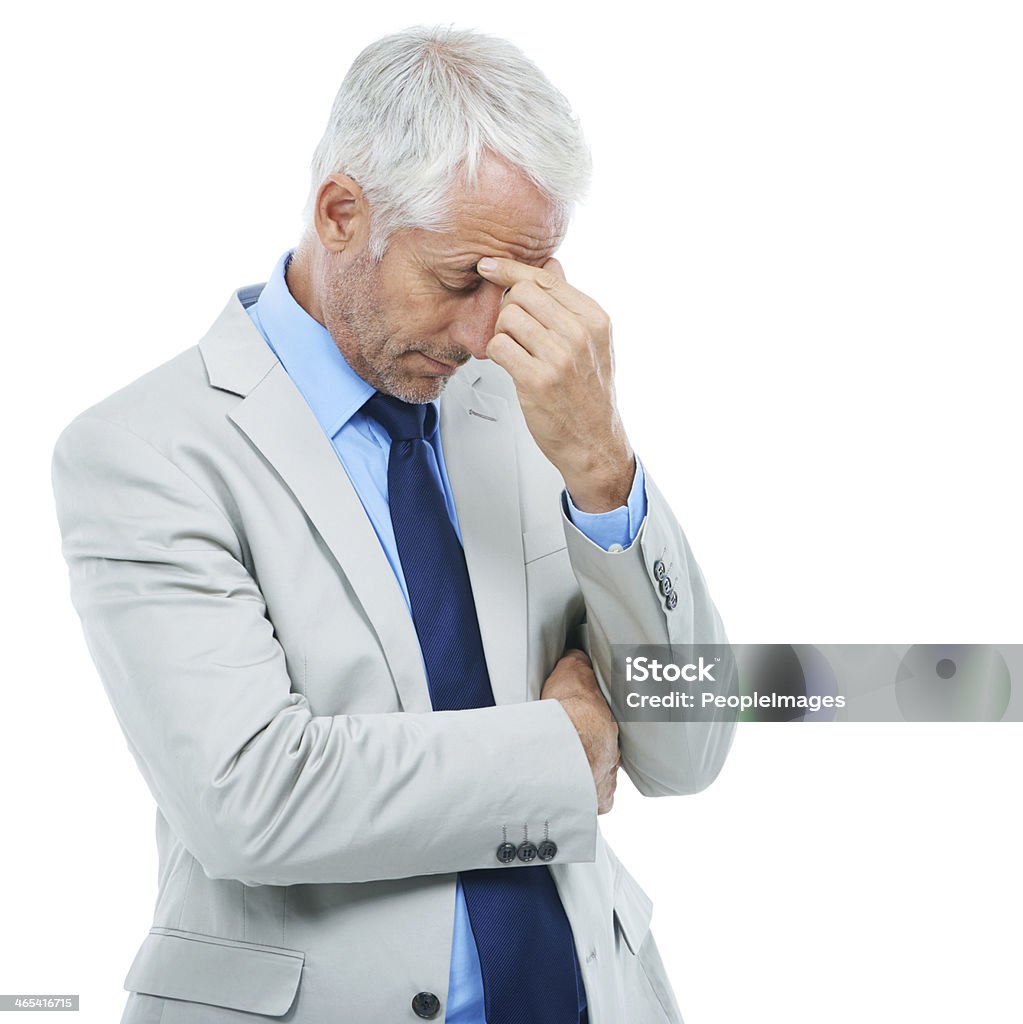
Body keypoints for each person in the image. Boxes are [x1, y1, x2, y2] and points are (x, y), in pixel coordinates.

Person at [51, 26, 735, 1024]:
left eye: (518, 287)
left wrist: (603, 467)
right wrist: (563, 747)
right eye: (462, 280)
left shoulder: (533, 401)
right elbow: (255, 802)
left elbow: (691, 748)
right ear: (340, 213)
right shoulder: (146, 450)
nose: (482, 333)